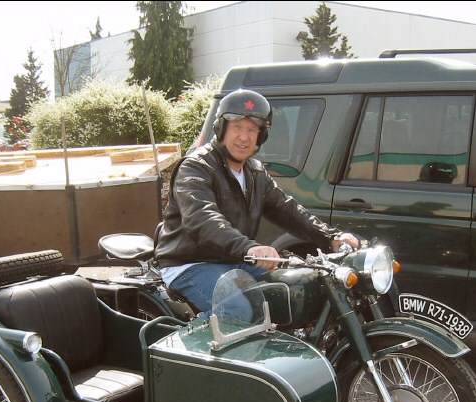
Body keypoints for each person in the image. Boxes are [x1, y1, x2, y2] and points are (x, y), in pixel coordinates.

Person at [154, 88, 359, 313]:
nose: (244, 137)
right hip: (190, 263)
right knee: (237, 310)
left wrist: (331, 237)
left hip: (233, 259)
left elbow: (287, 209)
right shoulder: (196, 167)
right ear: (221, 128)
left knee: (292, 290)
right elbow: (202, 219)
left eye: (252, 130)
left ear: (261, 136)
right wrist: (249, 247)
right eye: (237, 127)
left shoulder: (255, 172)